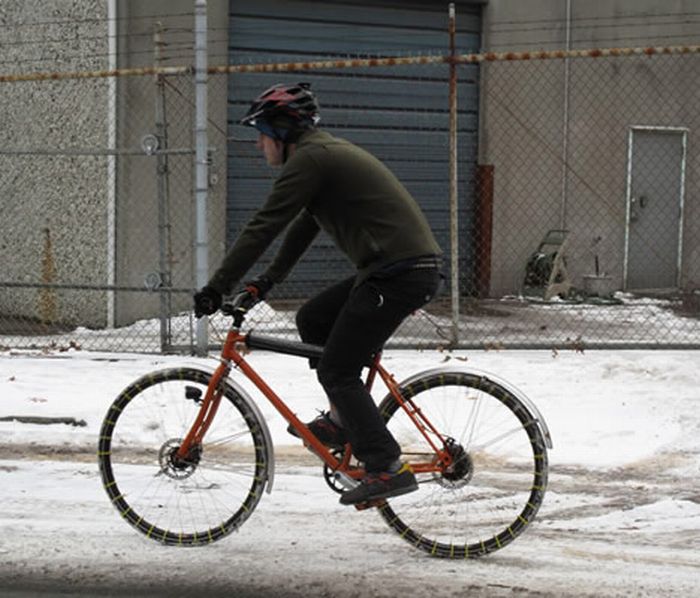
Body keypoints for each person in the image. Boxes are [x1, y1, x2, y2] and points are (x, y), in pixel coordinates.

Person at [194, 82, 443, 505]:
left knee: (336, 370)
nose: (259, 145)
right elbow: (301, 229)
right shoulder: (319, 157)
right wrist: (263, 284)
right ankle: (343, 419)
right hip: (393, 269)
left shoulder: (310, 159)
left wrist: (218, 286)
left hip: (399, 273)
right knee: (313, 319)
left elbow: (264, 225)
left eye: (262, 135)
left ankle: (385, 465)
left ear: (282, 133)